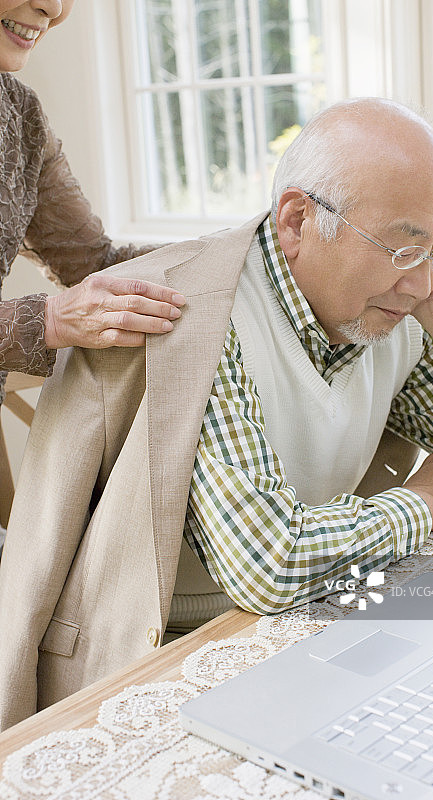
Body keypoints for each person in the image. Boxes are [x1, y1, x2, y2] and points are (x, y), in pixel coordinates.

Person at [1, 98, 433, 731]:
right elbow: (269, 565)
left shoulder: (398, 307)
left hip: (309, 616)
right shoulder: (201, 317)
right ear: (297, 221)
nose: (419, 285)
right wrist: (424, 503)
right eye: (401, 250)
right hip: (159, 649)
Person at [0, 0, 186, 552]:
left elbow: (97, 263)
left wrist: (260, 246)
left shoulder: (18, 117)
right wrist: (51, 320)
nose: (53, 9)